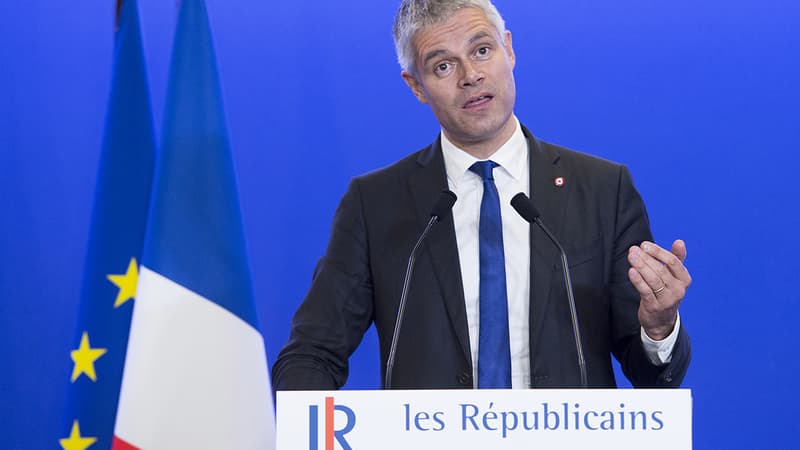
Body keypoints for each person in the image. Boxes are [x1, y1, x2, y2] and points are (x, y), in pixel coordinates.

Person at [272, 0, 691, 390]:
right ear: (416, 86)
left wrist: (658, 326)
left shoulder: (603, 189)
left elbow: (651, 373)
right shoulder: (374, 203)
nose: (470, 75)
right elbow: (311, 354)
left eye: (482, 51)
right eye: (441, 66)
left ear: (509, 49)